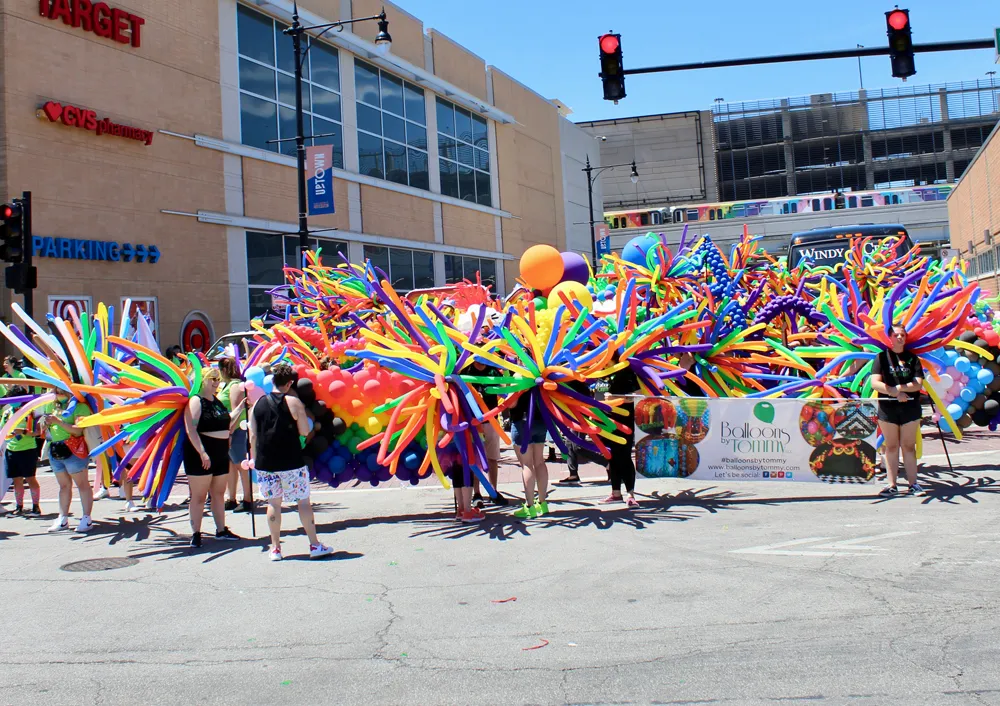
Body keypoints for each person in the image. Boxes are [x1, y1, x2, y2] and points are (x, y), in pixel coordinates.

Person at [249, 363, 333, 561]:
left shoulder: (257, 404)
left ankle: (275, 549)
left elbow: (253, 434)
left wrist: (254, 458)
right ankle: (314, 544)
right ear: (288, 383)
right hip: (291, 460)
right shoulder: (293, 402)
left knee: (273, 503)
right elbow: (304, 430)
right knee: (302, 501)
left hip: (266, 462)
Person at [182, 367, 243, 547]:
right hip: (201, 453)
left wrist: (241, 407)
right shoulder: (196, 400)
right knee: (199, 496)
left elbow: (227, 421)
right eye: (212, 379)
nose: (217, 382)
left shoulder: (216, 401)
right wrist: (202, 452)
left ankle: (221, 530)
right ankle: (196, 533)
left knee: (218, 493)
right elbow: (191, 428)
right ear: (202, 380)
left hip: (220, 452)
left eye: (218, 379)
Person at [871, 324, 926, 497]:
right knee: (891, 446)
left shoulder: (913, 358)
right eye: (896, 335)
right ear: (890, 337)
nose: (900, 338)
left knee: (908, 446)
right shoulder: (881, 357)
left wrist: (900, 389)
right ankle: (892, 485)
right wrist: (894, 392)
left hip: (910, 408)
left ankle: (913, 484)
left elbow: (918, 384)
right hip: (888, 408)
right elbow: (875, 382)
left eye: (902, 335)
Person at [41, 392, 94, 533]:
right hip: (55, 449)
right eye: (56, 390)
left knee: (82, 484)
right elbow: (45, 429)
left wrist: (58, 421)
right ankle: (63, 518)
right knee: (63, 486)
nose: (58, 394)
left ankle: (86, 518)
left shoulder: (80, 407)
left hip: (74, 450)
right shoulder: (51, 406)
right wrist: (46, 424)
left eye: (61, 390)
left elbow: (78, 431)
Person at [468, 358, 508, 507]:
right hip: (473, 423)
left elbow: (504, 391)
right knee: (475, 459)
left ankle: (493, 491)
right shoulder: (467, 370)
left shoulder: (493, 371)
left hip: (491, 421)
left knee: (492, 457)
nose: (480, 361)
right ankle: (476, 493)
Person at [604, 357, 641, 508]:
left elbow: (637, 395)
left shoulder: (625, 371)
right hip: (607, 421)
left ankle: (630, 494)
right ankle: (616, 493)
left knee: (624, 456)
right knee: (612, 456)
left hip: (624, 421)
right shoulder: (602, 373)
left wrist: (616, 399)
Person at [508, 390, 549, 519]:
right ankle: (542, 503)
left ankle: (530, 506)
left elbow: (511, 403)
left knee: (527, 464)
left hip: (522, 421)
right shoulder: (541, 378)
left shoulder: (517, 379)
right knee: (540, 461)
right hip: (541, 420)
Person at [218, 357, 252, 513]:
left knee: (241, 465)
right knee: (232, 465)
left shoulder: (234, 386)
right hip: (231, 430)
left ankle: (248, 499)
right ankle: (231, 498)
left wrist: (230, 433)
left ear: (224, 370)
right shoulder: (229, 385)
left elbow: (236, 411)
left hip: (236, 430)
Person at [1, 386, 41, 516]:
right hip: (11, 450)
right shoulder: (7, 413)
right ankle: (19, 506)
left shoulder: (31, 413)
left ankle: (36, 506)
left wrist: (23, 431)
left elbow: (38, 432)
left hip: (28, 450)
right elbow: (2, 430)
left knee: (30, 478)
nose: (12, 402)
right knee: (16, 480)